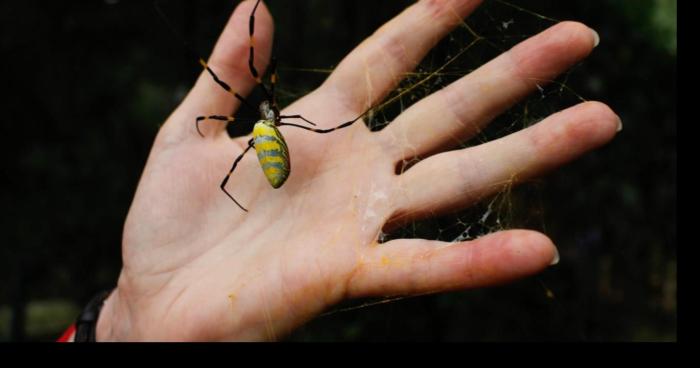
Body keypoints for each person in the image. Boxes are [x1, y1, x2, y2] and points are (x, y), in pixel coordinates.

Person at [60, 0, 621, 341]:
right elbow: (258, 104)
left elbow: (262, 96)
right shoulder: (272, 125)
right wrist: (130, 326)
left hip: (268, 146)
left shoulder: (267, 126)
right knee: (267, 140)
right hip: (268, 144)